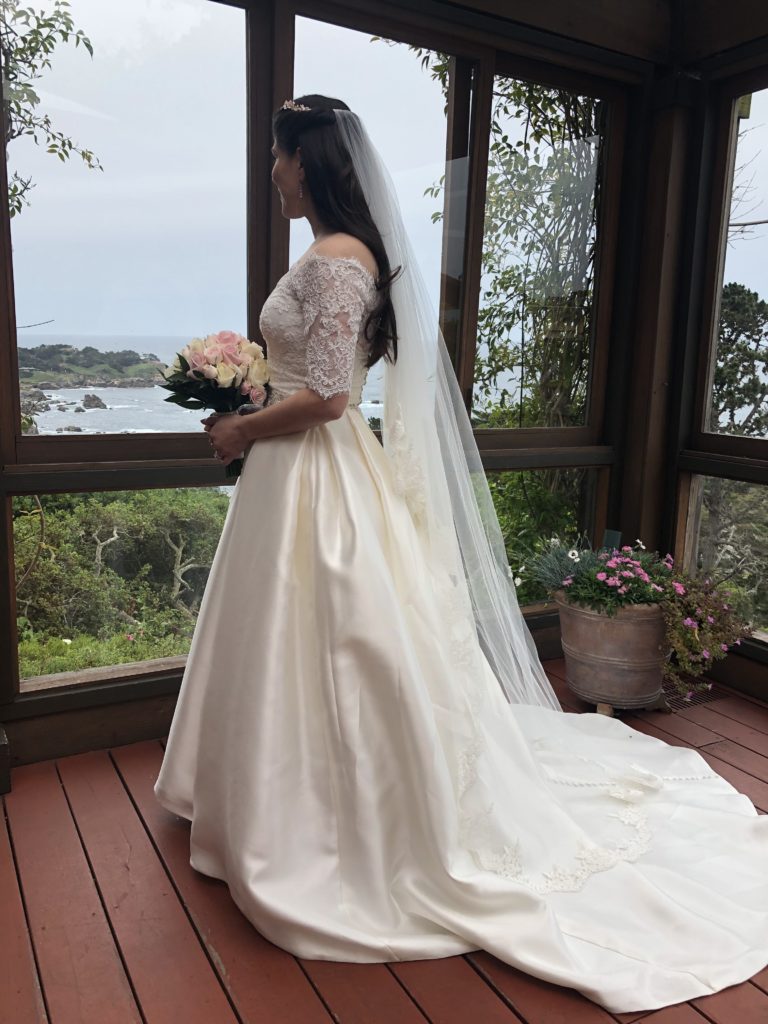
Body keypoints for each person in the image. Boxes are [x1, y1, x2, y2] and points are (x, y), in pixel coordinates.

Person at [154, 95, 768, 1014]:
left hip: (312, 470)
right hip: (306, 474)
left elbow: (326, 396)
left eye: (280, 158)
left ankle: (321, 818)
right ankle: (265, 793)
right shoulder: (337, 254)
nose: (273, 172)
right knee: (292, 632)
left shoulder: (336, 258)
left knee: (328, 633)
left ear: (311, 164)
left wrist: (240, 428)